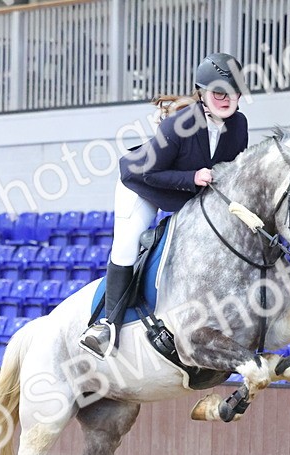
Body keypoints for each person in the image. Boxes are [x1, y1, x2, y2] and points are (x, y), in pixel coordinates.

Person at [79, 52, 249, 359]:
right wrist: (192, 176)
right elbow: (149, 172)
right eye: (218, 93)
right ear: (203, 93)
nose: (226, 99)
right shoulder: (180, 124)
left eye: (233, 93)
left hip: (188, 192)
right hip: (142, 185)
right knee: (128, 244)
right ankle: (106, 326)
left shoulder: (239, 126)